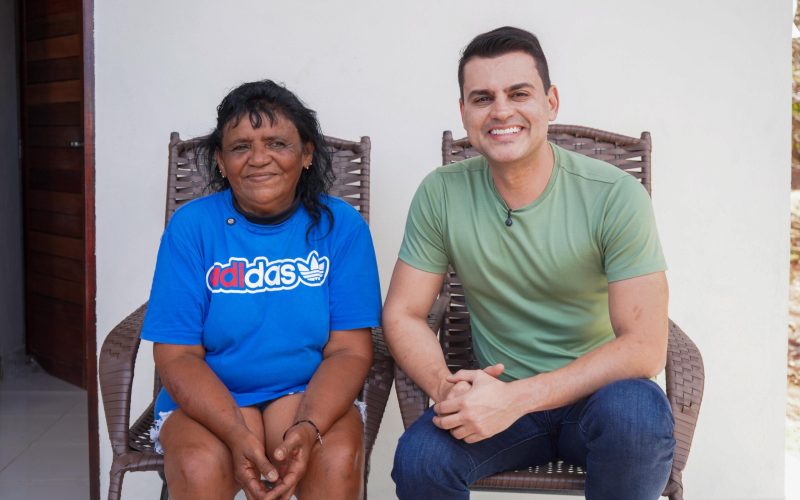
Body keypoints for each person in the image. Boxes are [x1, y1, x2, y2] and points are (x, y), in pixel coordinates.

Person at [384, 27, 675, 499]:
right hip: (499, 401)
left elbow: (644, 347)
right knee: (420, 459)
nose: (501, 111)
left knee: (638, 414)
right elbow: (403, 312)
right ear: (464, 112)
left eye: (519, 93)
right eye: (482, 98)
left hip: (596, 403)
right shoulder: (441, 192)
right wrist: (446, 387)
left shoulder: (615, 195)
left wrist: (516, 399)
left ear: (551, 102)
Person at [140, 80, 381, 500]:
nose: (259, 159)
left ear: (306, 154)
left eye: (277, 143)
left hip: (304, 391)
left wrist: (307, 427)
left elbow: (349, 350)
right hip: (212, 393)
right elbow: (176, 355)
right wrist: (235, 431)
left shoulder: (341, 227)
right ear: (220, 160)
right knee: (200, 465)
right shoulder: (191, 228)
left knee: (335, 456)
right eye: (240, 147)